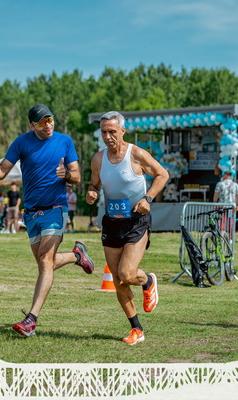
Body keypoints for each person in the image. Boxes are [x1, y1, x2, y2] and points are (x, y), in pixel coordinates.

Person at [0, 103, 94, 337]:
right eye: (42, 122)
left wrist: (67, 175)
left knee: (45, 260)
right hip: (31, 212)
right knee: (46, 264)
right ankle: (76, 256)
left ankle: (31, 320)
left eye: (50, 120)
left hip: (55, 208)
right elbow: (1, 173)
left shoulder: (65, 141)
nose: (48, 125)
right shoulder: (21, 143)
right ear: (32, 126)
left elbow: (76, 176)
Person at [86, 111, 169, 345]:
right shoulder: (98, 159)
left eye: (112, 131)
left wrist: (148, 198)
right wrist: (91, 193)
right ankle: (136, 329)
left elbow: (162, 174)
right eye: (104, 132)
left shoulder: (137, 154)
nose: (108, 136)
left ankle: (148, 281)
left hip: (136, 220)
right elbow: (94, 184)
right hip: (112, 221)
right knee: (118, 280)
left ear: (123, 131)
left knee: (127, 274)